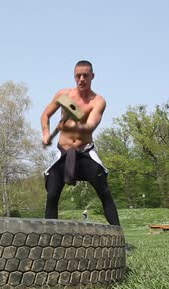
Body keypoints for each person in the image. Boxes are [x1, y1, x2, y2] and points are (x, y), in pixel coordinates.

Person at [41, 60, 120, 226]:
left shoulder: (97, 101)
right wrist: (46, 133)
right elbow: (45, 115)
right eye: (78, 75)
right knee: (52, 194)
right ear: (74, 77)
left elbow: (90, 126)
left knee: (104, 191)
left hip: (84, 152)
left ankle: (118, 237)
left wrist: (69, 126)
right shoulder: (64, 95)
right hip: (63, 152)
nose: (82, 79)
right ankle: (50, 239)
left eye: (85, 75)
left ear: (92, 76)